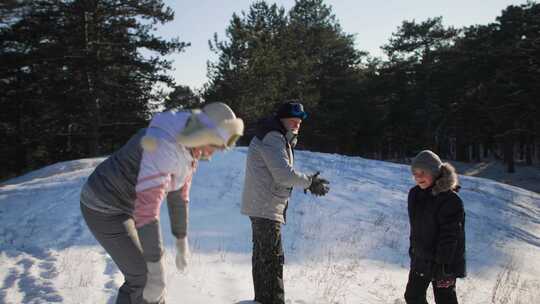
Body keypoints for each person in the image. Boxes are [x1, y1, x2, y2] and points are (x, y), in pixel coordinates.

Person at [80, 102, 244, 304]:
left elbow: (179, 195)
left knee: (140, 277)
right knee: (147, 277)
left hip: (125, 206)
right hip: (103, 205)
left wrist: (181, 239)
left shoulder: (190, 147)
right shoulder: (163, 146)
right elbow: (148, 213)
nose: (213, 153)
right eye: (215, 145)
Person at [241, 101, 330, 304]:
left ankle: (265, 299)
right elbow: (283, 174)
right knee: (271, 260)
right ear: (281, 119)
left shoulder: (275, 135)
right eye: (293, 120)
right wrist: (310, 182)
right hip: (265, 206)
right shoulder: (273, 137)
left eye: (299, 121)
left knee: (267, 259)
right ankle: (271, 300)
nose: (297, 124)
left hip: (264, 205)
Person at [405, 150, 466, 304]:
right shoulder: (415, 194)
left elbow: (451, 235)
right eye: (415, 173)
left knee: (445, 300)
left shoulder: (450, 200)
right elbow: (417, 227)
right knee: (413, 296)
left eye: (423, 172)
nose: (418, 177)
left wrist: (443, 265)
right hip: (421, 258)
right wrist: (414, 250)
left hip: (445, 264)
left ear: (435, 172)